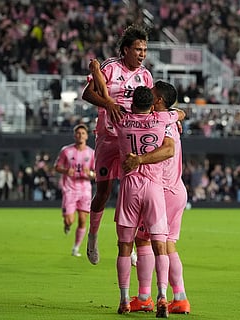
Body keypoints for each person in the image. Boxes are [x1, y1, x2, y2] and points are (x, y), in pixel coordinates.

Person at [82, 24, 153, 265]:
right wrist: (108, 104)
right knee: (102, 192)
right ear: (125, 50)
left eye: (144, 49)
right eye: (137, 49)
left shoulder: (146, 75)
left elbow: (151, 106)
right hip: (107, 137)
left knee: (129, 192)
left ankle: (127, 244)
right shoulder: (110, 67)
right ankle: (92, 235)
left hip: (130, 141)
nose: (142, 54)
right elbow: (87, 93)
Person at [113, 85, 185, 316]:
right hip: (167, 187)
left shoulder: (123, 121)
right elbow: (179, 114)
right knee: (163, 244)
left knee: (134, 244)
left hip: (150, 186)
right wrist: (179, 114)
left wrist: (138, 160)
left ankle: (139, 297)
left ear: (160, 100)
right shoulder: (165, 121)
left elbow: (168, 150)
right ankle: (174, 296)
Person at [54, 124, 95, 257]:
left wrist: (91, 174)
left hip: (85, 190)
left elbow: (97, 173)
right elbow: (57, 166)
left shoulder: (91, 153)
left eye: (83, 133)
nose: (80, 135)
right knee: (69, 220)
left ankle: (76, 247)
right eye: (78, 133)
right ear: (74, 135)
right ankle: (67, 225)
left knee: (83, 219)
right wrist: (66, 170)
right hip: (70, 189)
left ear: (87, 136)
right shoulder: (66, 151)